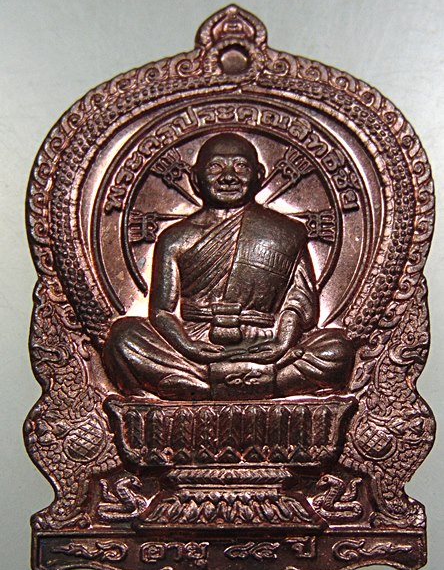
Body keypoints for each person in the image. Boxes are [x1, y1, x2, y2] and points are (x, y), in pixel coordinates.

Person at [102, 134, 354, 399]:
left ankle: (204, 387)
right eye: (215, 167)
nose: (228, 177)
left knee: (337, 350)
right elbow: (162, 311)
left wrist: (283, 342)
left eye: (240, 166)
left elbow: (300, 302)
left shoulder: (287, 233)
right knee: (122, 339)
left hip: (266, 342)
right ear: (195, 179)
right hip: (196, 344)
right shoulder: (174, 238)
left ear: (259, 175)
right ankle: (257, 383)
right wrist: (188, 346)